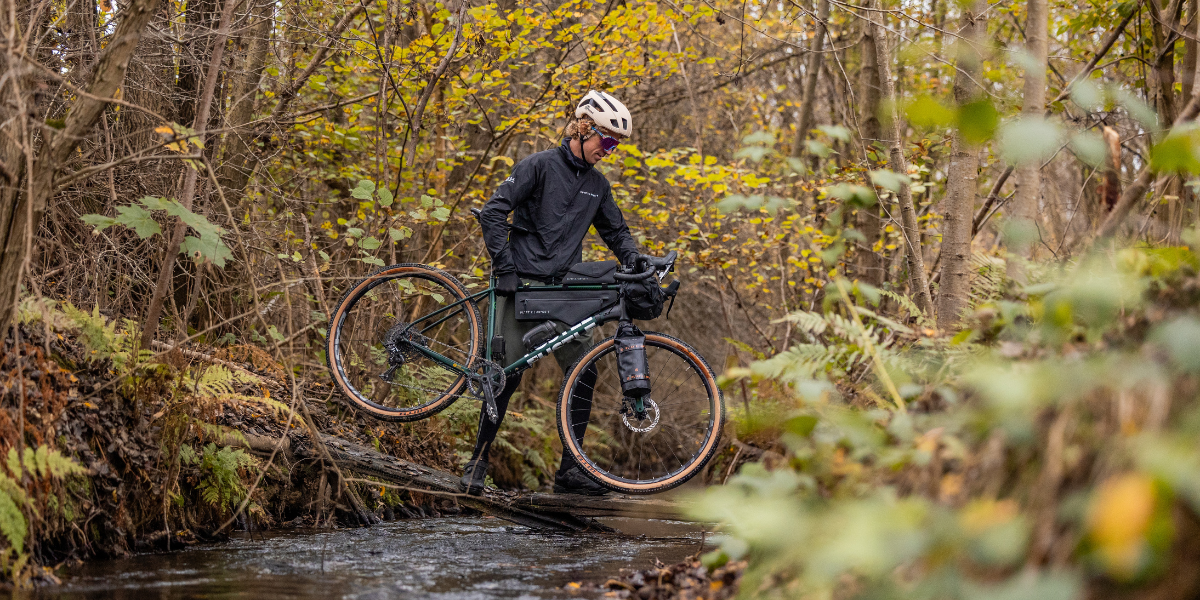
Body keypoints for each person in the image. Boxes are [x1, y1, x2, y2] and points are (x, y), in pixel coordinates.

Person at [464, 90, 640, 496]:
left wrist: (637, 261)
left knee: (585, 371)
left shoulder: (598, 186)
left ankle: (572, 470)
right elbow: (493, 212)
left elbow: (617, 233)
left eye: (616, 144)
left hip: (564, 292)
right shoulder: (538, 166)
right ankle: (478, 460)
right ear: (584, 128)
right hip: (521, 285)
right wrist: (504, 267)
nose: (609, 150)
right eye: (607, 140)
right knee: (504, 376)